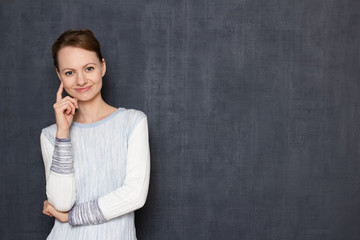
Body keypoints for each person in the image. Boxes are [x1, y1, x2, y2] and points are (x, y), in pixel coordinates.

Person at [40, 29, 150, 239]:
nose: (81, 80)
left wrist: (71, 217)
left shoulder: (133, 122)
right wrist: (63, 133)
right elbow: (61, 202)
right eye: (70, 72)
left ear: (102, 67)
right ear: (59, 75)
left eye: (89, 68)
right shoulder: (50, 135)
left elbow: (135, 196)